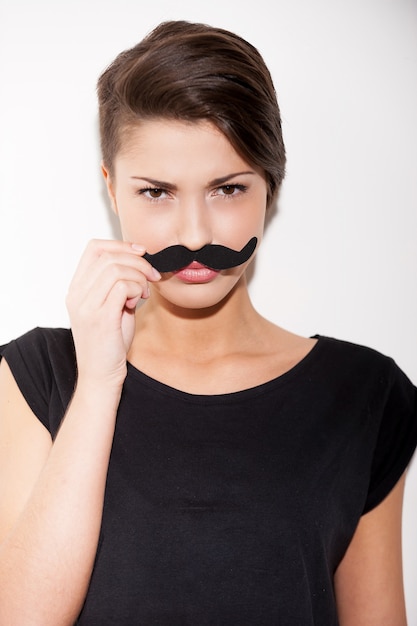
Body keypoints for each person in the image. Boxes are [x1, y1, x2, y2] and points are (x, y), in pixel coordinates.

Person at [0, 19, 416, 626]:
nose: (194, 235)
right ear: (112, 189)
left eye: (226, 189)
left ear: (270, 186)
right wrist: (96, 383)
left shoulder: (362, 395)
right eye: (156, 193)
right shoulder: (37, 377)